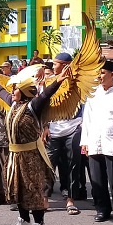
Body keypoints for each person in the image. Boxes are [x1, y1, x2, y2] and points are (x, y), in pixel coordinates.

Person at [0, 63, 71, 225]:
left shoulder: (33, 106)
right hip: (14, 155)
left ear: (22, 91)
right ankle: (24, 221)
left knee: (33, 190)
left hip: (31, 157)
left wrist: (59, 81)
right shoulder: (13, 104)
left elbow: (46, 95)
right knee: (17, 188)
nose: (12, 91)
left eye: (15, 89)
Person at [80, 60, 113, 225]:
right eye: (98, 73)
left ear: (112, 74)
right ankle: (102, 209)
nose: (100, 76)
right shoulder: (92, 95)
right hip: (95, 142)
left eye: (103, 73)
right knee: (97, 180)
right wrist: (85, 142)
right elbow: (87, 120)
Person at [44, 52, 83, 215]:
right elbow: (43, 104)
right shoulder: (49, 82)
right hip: (53, 130)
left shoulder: (78, 84)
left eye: (56, 64)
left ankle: (70, 199)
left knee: (73, 165)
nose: (53, 67)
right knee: (48, 164)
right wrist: (45, 126)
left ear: (65, 65)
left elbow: (84, 106)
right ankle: (44, 198)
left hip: (73, 127)